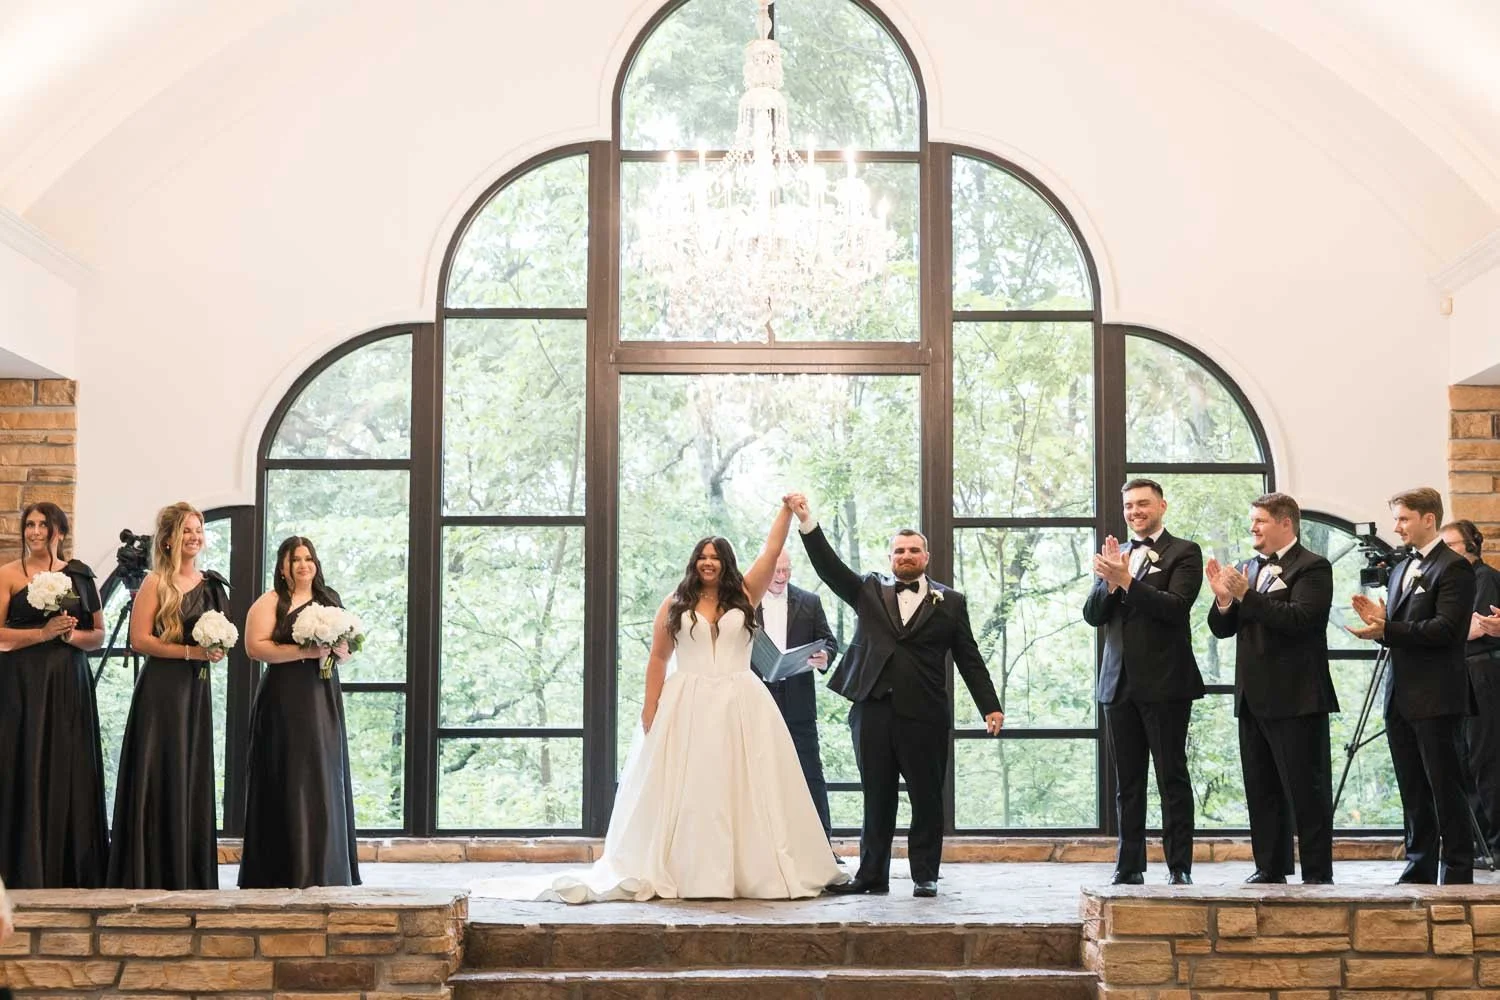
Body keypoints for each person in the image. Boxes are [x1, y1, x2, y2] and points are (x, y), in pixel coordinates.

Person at [475, 498, 842, 902]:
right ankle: (690, 869)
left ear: (727, 563)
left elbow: (771, 551)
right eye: (702, 557)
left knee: (745, 784)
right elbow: (658, 658)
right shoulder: (675, 603)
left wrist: (787, 512)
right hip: (688, 702)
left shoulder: (744, 594)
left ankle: (748, 868)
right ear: (694, 562)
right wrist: (650, 707)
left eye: (715, 557)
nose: (708, 563)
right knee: (693, 786)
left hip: (741, 702)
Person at [790, 494, 1003, 899]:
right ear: (890, 558)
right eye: (899, 551)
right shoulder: (868, 590)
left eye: (913, 550)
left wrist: (989, 705)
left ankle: (925, 875)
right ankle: (871, 876)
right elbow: (829, 568)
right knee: (877, 796)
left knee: (927, 797)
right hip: (872, 710)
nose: (906, 556)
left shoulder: (951, 602)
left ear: (926, 557)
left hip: (925, 714)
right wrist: (807, 523)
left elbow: (969, 657)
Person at [1206, 492, 1336, 884]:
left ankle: (1317, 874)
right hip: (1252, 696)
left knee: (1307, 790)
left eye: (1260, 520)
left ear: (1285, 523)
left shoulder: (1313, 567)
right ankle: (1270, 866)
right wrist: (1224, 600)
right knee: (1261, 788)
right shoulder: (1247, 568)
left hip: (1297, 697)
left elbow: (1302, 620)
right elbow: (1223, 629)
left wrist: (1247, 595)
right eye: (1252, 521)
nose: (1253, 528)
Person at [1350, 488, 1476, 884]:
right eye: (1396, 519)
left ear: (1428, 519)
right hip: (1400, 694)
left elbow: (1447, 629)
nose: (1397, 527)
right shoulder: (1402, 567)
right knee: (1413, 787)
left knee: (1445, 786)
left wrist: (1388, 629)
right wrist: (1381, 623)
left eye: (1404, 518)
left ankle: (1457, 869)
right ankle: (1419, 865)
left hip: (1437, 695)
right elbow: (1401, 630)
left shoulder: (1454, 568)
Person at [1084, 478, 1204, 886]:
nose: (1135, 512)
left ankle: (1179, 866)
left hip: (1166, 682)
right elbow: (1093, 616)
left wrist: (1127, 582)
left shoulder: (1184, 552)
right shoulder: (1116, 554)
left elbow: (1176, 608)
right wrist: (1109, 582)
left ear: (1161, 506)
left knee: (1172, 776)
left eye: (1143, 504)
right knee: (1128, 782)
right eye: (1129, 506)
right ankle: (1128, 864)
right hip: (1117, 684)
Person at [106, 502, 232, 890]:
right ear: (168, 540)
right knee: (160, 767)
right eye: (186, 531)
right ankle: (153, 868)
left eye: (198, 530)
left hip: (196, 689)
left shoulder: (212, 585)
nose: (194, 537)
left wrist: (216, 649)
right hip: (161, 690)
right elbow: (140, 639)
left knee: (190, 769)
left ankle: (187, 869)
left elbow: (223, 635)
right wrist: (191, 652)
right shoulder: (155, 582)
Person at [238, 536, 360, 889]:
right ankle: (282, 868)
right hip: (283, 698)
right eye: (296, 560)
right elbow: (254, 648)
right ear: (283, 567)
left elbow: (347, 650)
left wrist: (340, 651)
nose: (304, 565)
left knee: (323, 773)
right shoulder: (270, 602)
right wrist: (304, 652)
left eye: (309, 558)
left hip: (322, 696)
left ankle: (325, 867)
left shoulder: (329, 599)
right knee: (288, 772)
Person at [0, 503, 109, 889]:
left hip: (67, 682)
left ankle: (68, 868)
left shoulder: (80, 575)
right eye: (29, 524)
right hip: (21, 683)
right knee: (24, 760)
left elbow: (98, 635)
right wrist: (41, 634)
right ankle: (20, 865)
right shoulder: (8, 574)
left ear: (59, 531)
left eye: (42, 525)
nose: (34, 531)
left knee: (67, 763)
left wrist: (70, 636)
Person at [756, 550, 838, 841]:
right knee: (758, 771)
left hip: (798, 701)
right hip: (756, 699)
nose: (781, 577)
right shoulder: (745, 602)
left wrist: (824, 655)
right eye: (776, 571)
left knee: (810, 772)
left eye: (786, 570)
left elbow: (829, 641)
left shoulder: (809, 601)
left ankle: (822, 844)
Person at [1439, 519, 1500, 860]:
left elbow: (1478, 627)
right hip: (1459, 671)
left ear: (1472, 545)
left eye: (1452, 545)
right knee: (1463, 759)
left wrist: (1432, 629)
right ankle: (1479, 843)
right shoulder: (1455, 581)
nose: (1445, 553)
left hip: (1482, 672)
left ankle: (1496, 843)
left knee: (1484, 758)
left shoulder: (1484, 578)